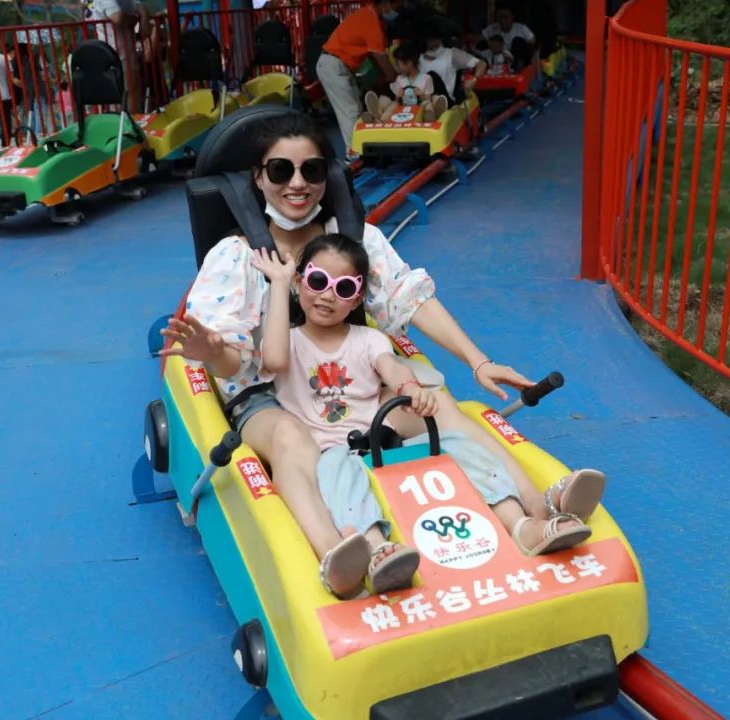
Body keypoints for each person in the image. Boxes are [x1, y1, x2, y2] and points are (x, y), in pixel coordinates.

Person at [161, 112, 606, 599]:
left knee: (439, 407)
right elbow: (233, 360)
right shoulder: (236, 255)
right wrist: (214, 351)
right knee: (292, 439)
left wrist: (478, 362)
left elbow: (407, 298)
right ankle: (336, 554)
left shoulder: (355, 240)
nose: (297, 183)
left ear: (328, 175)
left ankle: (538, 513)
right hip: (267, 389)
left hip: (347, 374)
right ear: (258, 178)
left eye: (312, 170)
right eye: (281, 170)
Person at [253, 233, 595, 597]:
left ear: (358, 297)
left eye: (344, 288)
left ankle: (522, 524)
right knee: (339, 470)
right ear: (301, 280)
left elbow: (391, 367)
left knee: (454, 444)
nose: (327, 295)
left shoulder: (368, 340)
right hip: (331, 452)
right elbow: (273, 359)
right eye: (318, 281)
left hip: (381, 442)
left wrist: (409, 388)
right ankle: (376, 550)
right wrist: (280, 283)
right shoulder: (287, 341)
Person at [315, 0, 399, 159]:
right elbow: (381, 59)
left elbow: (374, 57)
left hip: (340, 65)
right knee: (350, 112)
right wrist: (398, 80)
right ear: (385, 3)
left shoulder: (370, 16)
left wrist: (384, 78)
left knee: (357, 109)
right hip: (334, 65)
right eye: (395, 5)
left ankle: (361, 150)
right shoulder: (370, 21)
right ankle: (354, 155)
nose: (396, 10)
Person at [86, 0, 150, 113]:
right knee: (124, 95)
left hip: (124, 54)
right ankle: (128, 120)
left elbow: (138, 6)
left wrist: (143, 15)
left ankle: (132, 120)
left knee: (130, 93)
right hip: (115, 55)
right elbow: (117, 17)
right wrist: (135, 19)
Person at [362, 42, 446, 123]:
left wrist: (421, 96)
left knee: (428, 104)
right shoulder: (400, 79)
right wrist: (398, 96)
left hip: (419, 109)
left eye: (399, 64)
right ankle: (380, 118)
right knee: (393, 104)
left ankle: (430, 117)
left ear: (409, 63)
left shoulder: (426, 78)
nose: (398, 67)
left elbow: (427, 99)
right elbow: (397, 101)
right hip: (403, 110)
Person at [417, 20, 486, 103]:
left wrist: (474, 80)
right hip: (422, 101)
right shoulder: (417, 58)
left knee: (432, 75)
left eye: (435, 42)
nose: (432, 44)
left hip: (445, 102)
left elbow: (481, 64)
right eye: (430, 40)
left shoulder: (452, 54)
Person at [481, 5, 536, 71]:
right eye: (500, 17)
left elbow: (532, 42)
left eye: (506, 17)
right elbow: (478, 41)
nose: (503, 20)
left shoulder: (521, 28)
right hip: (497, 58)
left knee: (518, 41)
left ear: (512, 17)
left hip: (515, 59)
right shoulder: (492, 28)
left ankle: (517, 68)